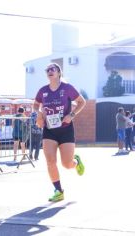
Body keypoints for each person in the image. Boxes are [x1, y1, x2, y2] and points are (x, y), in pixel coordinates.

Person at [34, 62, 86, 202]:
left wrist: (71, 115)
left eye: (53, 69)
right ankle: (58, 190)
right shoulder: (43, 90)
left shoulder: (67, 88)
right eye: (47, 69)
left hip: (65, 129)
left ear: (59, 72)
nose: (50, 71)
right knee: (50, 161)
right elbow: (35, 104)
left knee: (66, 164)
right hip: (49, 130)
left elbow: (82, 102)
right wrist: (39, 114)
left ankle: (76, 161)